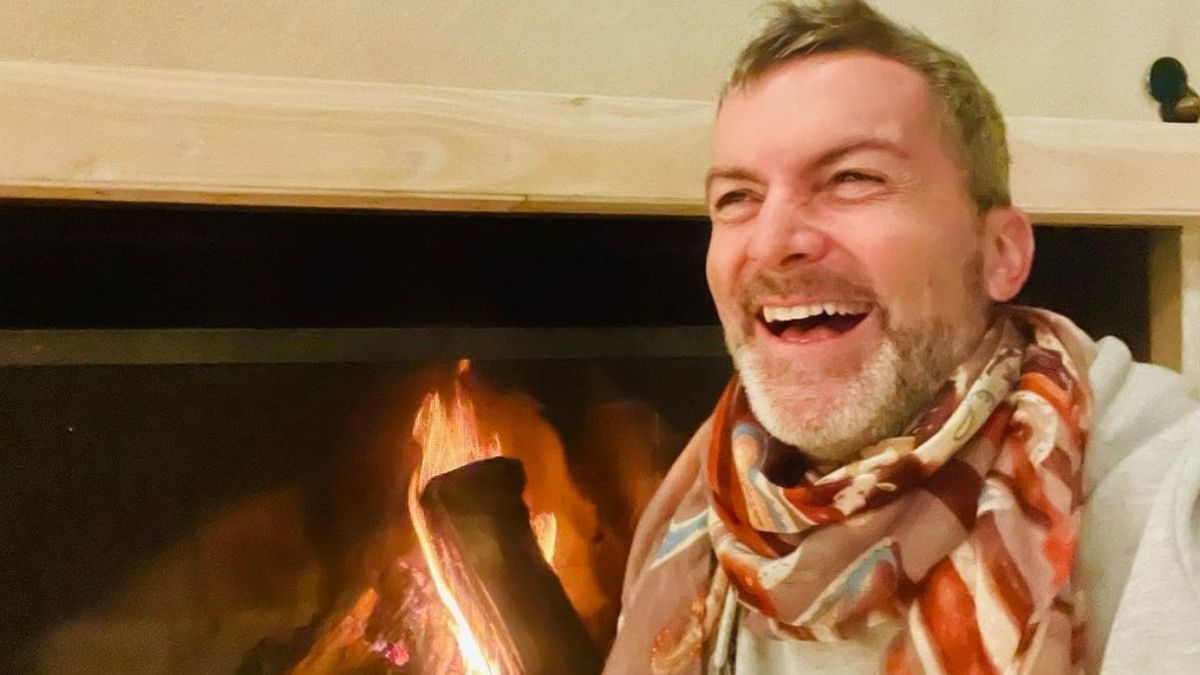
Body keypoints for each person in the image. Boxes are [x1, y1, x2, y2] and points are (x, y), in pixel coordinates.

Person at [604, 1, 1200, 673]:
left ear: (1001, 253)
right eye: (737, 198)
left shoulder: (1171, 497)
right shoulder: (696, 524)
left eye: (852, 179)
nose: (770, 245)